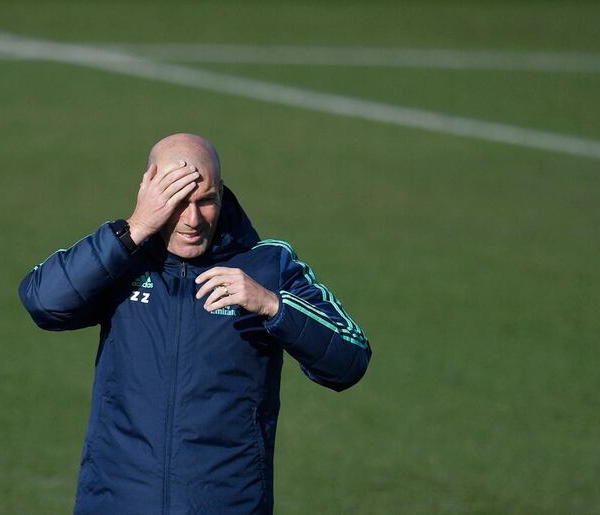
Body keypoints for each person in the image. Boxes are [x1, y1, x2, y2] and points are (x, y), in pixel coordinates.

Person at [18, 133, 372, 514]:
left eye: (205, 201)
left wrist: (272, 305)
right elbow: (44, 302)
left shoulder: (267, 266)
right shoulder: (121, 259)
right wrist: (135, 227)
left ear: (221, 194)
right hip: (117, 502)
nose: (192, 219)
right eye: (177, 202)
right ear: (150, 191)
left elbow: (349, 361)